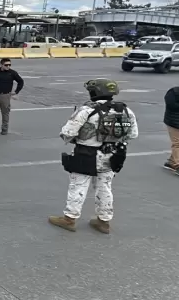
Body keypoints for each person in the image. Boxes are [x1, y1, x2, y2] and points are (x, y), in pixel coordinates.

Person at [49, 79, 139, 234]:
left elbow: (67, 133)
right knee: (104, 187)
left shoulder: (87, 110)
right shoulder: (125, 110)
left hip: (86, 154)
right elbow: (133, 134)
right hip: (112, 155)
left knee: (78, 186)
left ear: (94, 92)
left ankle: (69, 219)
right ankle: (104, 222)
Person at [0, 58, 23, 135]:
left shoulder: (12, 73)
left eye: (9, 65)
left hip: (5, 95)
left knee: (5, 113)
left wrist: (16, 91)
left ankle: (4, 129)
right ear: (1, 65)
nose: (8, 66)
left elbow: (20, 81)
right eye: (6, 65)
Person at [165, 86, 179, 173]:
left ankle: (172, 161)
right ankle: (177, 165)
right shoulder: (173, 92)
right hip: (173, 122)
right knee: (177, 143)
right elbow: (171, 105)